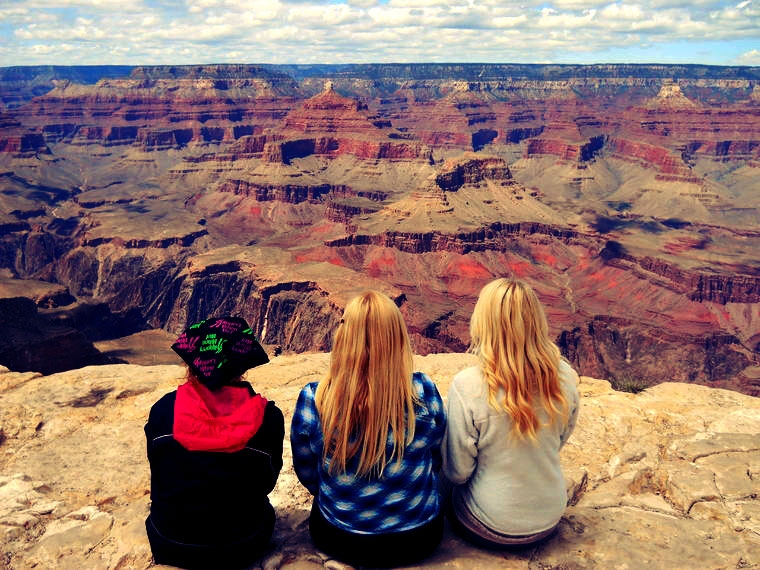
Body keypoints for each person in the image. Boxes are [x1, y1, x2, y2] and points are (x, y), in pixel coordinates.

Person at [291, 291, 446, 567]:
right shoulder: (424, 391)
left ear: (343, 338)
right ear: (398, 340)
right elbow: (434, 457)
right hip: (418, 539)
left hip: (340, 539)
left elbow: (307, 471)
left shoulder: (314, 399)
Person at [442, 278, 580, 549]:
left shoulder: (468, 385)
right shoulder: (566, 378)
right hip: (548, 518)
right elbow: (558, 442)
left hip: (487, 525)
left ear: (483, 323)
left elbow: (457, 473)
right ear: (536, 321)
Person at [144, 316, 284, 570]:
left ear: (192, 363)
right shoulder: (269, 419)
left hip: (170, 542)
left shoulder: (163, 411)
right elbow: (268, 482)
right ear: (242, 367)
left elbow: (158, 473)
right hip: (242, 544)